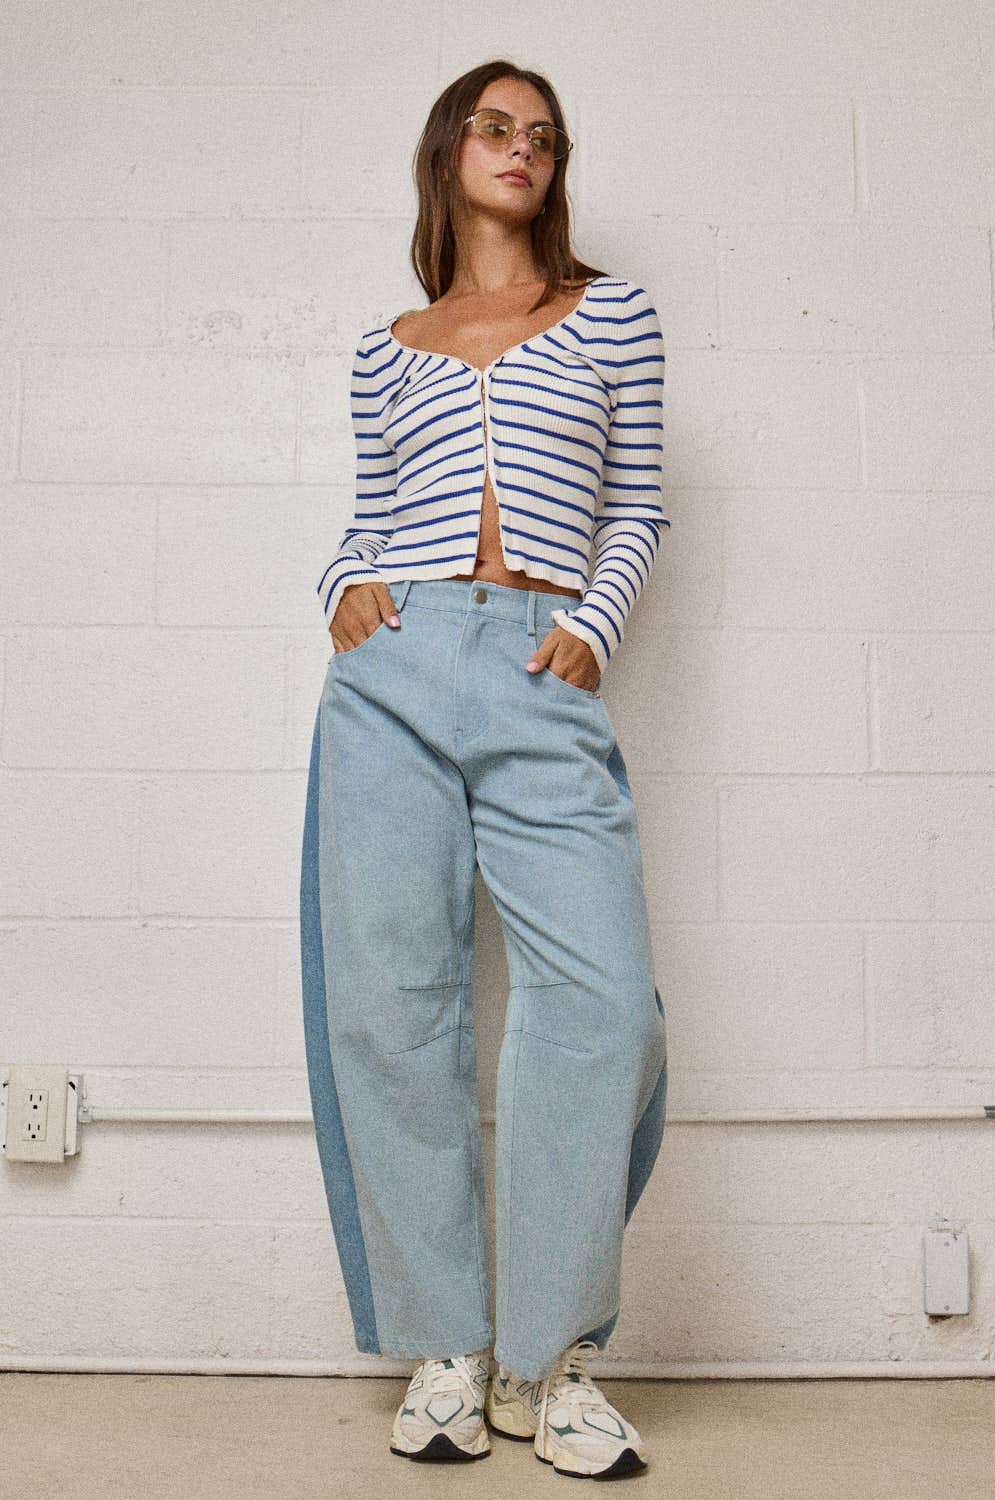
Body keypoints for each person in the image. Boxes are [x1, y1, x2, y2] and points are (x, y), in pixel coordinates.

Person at [299, 58, 669, 1480]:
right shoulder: (387, 347)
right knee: (391, 1004)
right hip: (392, 672)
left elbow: (638, 505)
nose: (522, 149)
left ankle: (545, 1359)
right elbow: (370, 514)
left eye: (544, 138)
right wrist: (341, 590)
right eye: (496, 127)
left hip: (538, 667)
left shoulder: (613, 314)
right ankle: (447, 1347)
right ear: (448, 150)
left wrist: (591, 630)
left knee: (603, 1006)